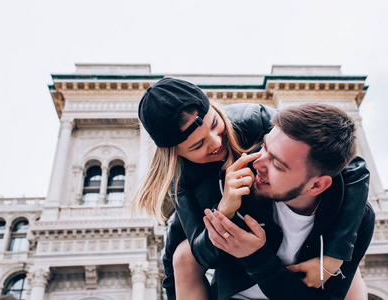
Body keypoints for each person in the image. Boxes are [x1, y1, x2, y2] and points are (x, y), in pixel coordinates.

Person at [131, 78, 370, 299]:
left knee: (348, 269)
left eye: (215, 124)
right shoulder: (182, 181)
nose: (216, 142)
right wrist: (223, 210)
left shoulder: (253, 119)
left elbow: (346, 162)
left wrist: (335, 255)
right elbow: (191, 256)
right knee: (184, 254)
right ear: (176, 154)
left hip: (288, 247)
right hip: (237, 264)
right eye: (198, 145)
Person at [203, 104, 375, 299]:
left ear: (317, 186)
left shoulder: (356, 219)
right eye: (265, 146)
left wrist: (257, 258)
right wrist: (222, 212)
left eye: (277, 164)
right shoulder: (237, 183)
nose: (257, 163)